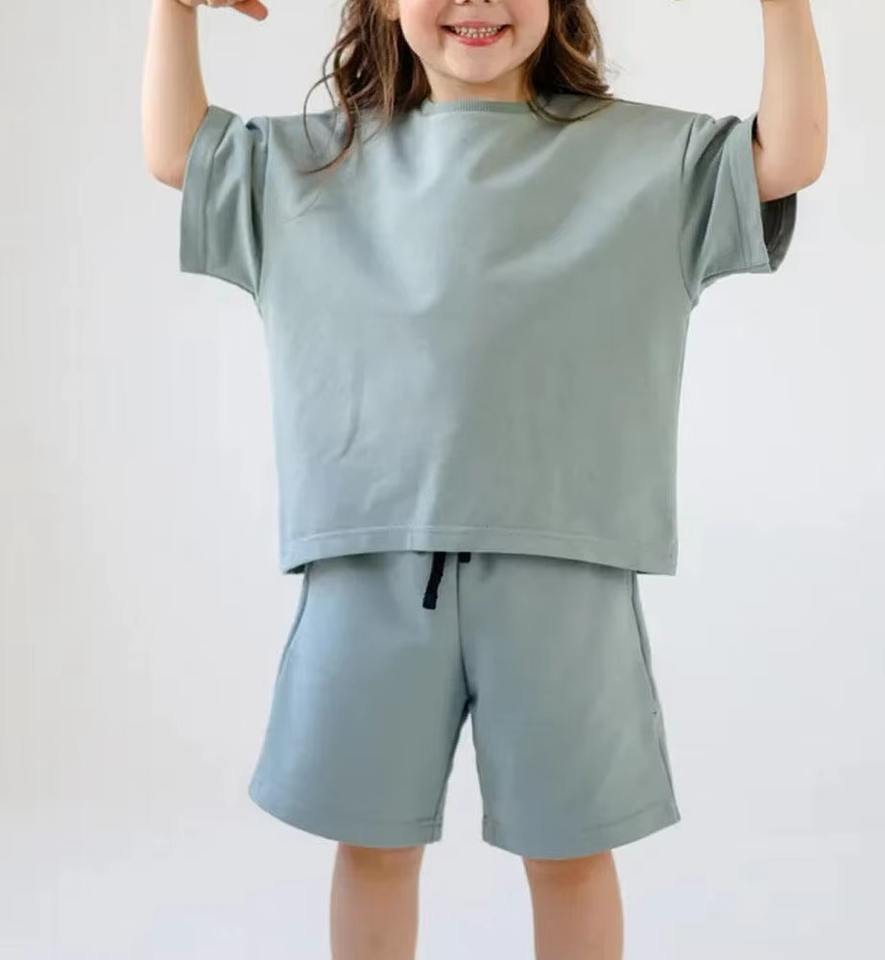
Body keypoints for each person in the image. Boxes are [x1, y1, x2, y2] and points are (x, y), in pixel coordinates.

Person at [143, 0, 827, 955]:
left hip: (563, 568)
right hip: (371, 561)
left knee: (570, 852)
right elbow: (178, 153)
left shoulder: (641, 156)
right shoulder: (317, 160)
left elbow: (787, 156)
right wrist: (174, 10)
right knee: (374, 846)